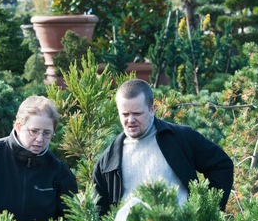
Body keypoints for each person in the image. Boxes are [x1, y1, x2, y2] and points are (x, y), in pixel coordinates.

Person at [92, 79, 233, 214]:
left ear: (152, 109)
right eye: (125, 114)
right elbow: (100, 212)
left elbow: (221, 166)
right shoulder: (108, 161)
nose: (131, 120)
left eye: (137, 113)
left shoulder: (180, 138)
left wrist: (206, 213)